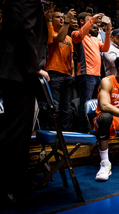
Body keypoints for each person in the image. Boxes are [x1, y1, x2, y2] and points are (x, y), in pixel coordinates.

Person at [0, 0, 50, 204]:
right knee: (16, 133)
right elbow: (24, 28)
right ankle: (9, 187)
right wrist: (34, 66)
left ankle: (16, 183)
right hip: (20, 71)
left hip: (18, 71)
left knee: (19, 131)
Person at [71, 12, 111, 132]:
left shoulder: (94, 38)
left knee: (94, 105)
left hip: (97, 75)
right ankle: (83, 129)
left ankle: (92, 127)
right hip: (86, 74)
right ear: (82, 22)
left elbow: (105, 48)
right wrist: (93, 19)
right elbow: (80, 34)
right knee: (85, 104)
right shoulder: (76, 34)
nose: (93, 22)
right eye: (90, 20)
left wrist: (108, 33)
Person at [45, 8, 76, 131]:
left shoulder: (69, 38)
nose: (62, 19)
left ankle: (64, 133)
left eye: (63, 17)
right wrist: (68, 21)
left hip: (67, 75)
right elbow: (58, 39)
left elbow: (71, 58)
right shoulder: (49, 31)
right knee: (54, 107)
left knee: (66, 108)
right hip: (53, 73)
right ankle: (53, 132)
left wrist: (72, 74)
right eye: (58, 17)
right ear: (51, 19)